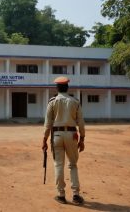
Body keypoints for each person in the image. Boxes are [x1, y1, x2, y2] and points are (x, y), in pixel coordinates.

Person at [42, 76, 85, 205]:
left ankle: (61, 195)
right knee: (72, 164)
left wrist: (44, 140)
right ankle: (76, 195)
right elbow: (81, 123)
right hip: (72, 135)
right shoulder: (75, 102)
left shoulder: (52, 102)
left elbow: (47, 123)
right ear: (67, 87)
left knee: (58, 165)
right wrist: (82, 139)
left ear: (57, 88)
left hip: (57, 135)